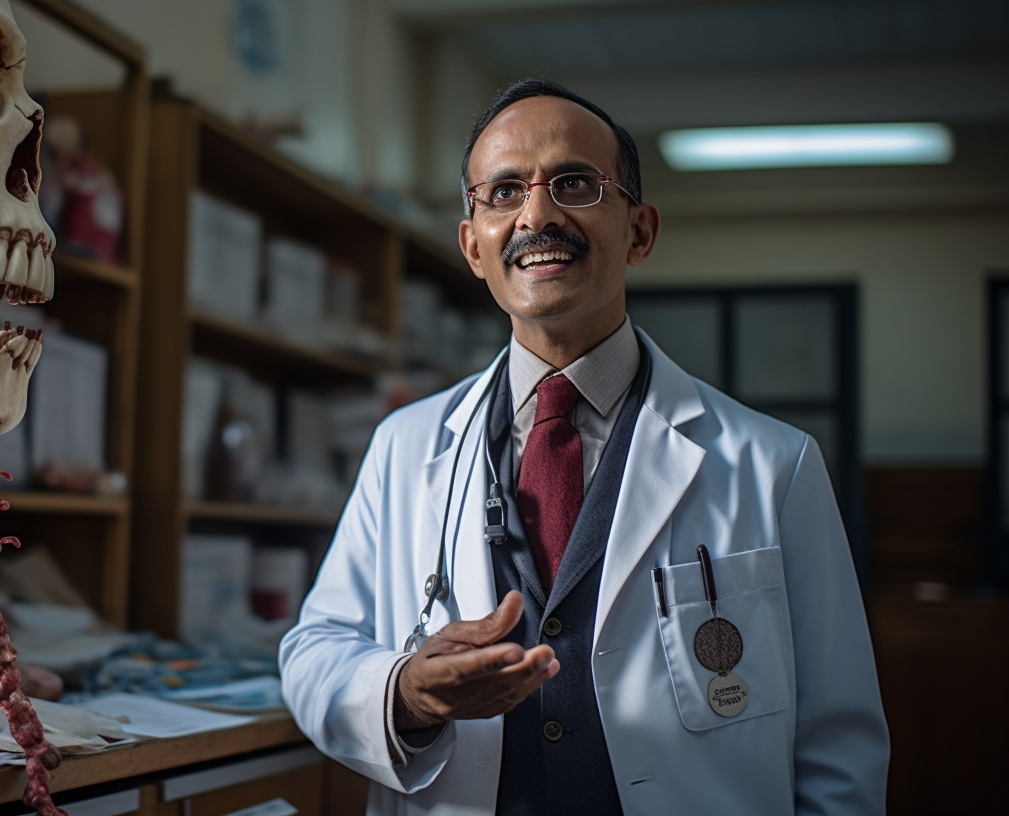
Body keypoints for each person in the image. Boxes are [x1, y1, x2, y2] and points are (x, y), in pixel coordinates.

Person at [278, 78, 889, 815]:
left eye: (574, 183)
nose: (537, 214)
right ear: (474, 247)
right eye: (503, 192)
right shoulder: (405, 447)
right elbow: (314, 652)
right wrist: (405, 692)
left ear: (640, 231)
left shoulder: (773, 463)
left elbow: (839, 742)